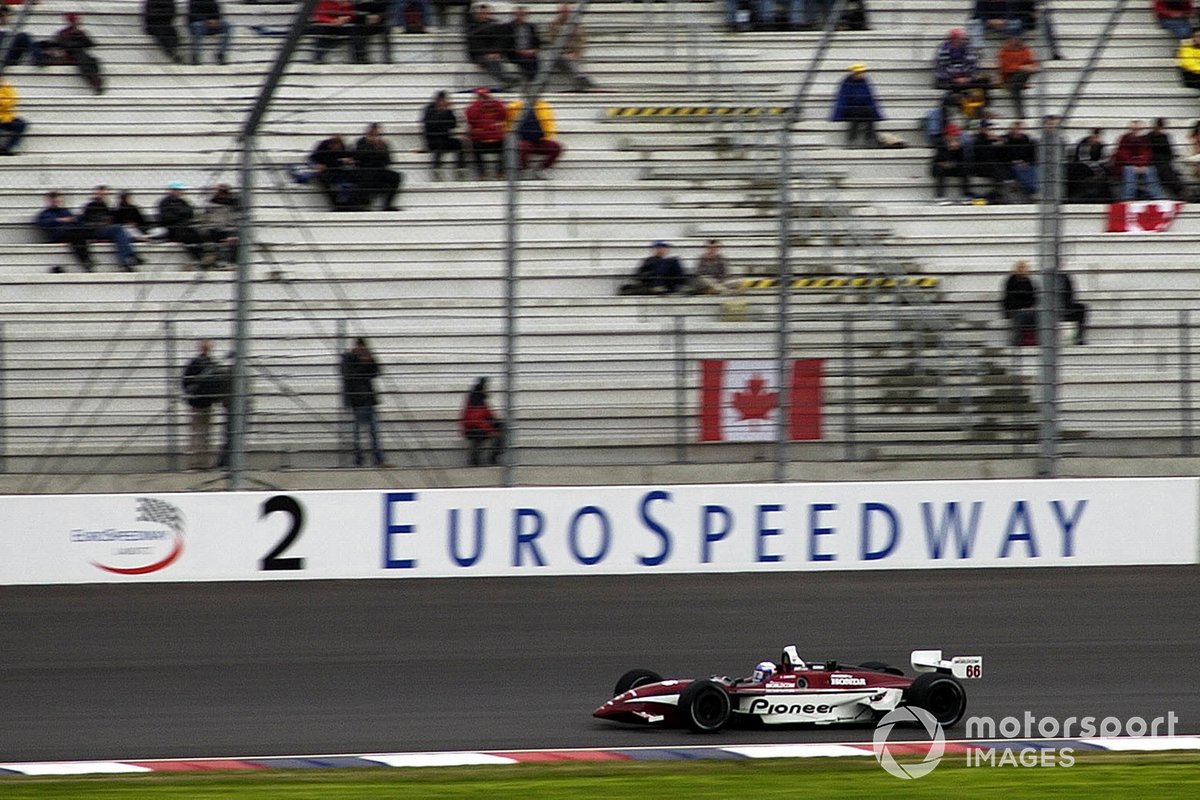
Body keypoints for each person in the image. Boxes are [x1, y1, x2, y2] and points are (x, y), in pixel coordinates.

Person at [341, 337, 389, 468]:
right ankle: (359, 459)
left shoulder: (366, 358)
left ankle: (377, 459)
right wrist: (363, 363)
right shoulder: (348, 358)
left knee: (373, 431)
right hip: (356, 400)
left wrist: (370, 360)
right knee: (358, 433)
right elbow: (351, 375)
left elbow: (376, 372)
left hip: (368, 399)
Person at [181, 339, 225, 470]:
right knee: (199, 434)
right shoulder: (205, 364)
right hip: (200, 403)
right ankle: (196, 463)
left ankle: (201, 463)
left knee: (202, 434)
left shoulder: (198, 364)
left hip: (203, 403)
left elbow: (185, 382)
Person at [80, 185, 143, 271]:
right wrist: (104, 222)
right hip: (95, 230)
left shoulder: (106, 206)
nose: (104, 196)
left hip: (106, 229)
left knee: (122, 234)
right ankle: (131, 256)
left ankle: (125, 262)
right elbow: (90, 220)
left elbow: (113, 218)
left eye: (105, 194)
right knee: (119, 230)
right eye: (102, 194)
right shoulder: (91, 206)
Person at [933, 28, 988, 120]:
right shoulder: (942, 50)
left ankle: (983, 108)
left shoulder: (968, 48)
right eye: (956, 38)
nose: (959, 41)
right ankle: (966, 107)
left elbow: (974, 66)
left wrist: (967, 78)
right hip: (949, 80)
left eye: (961, 38)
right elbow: (940, 68)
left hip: (966, 79)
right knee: (950, 89)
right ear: (951, 39)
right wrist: (954, 78)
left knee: (985, 81)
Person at [35, 191, 94, 272]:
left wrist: (74, 220)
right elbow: (43, 223)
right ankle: (86, 260)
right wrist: (60, 220)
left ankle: (87, 260)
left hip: (71, 232)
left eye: (58, 201)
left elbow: (76, 221)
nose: (56, 203)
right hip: (57, 234)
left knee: (78, 233)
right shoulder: (45, 213)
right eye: (54, 201)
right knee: (76, 235)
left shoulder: (64, 211)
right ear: (48, 201)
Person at [158, 180, 211, 266]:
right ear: (172, 190)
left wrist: (180, 213)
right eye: (179, 190)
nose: (182, 192)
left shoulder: (182, 201)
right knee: (189, 236)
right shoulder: (165, 202)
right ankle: (200, 258)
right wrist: (182, 214)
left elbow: (190, 212)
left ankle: (205, 256)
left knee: (200, 234)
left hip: (183, 226)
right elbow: (168, 217)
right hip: (172, 228)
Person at [829, 63, 882, 149]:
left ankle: (869, 139)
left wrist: (877, 115)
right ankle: (851, 139)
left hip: (862, 109)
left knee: (869, 115)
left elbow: (870, 99)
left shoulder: (865, 83)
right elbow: (842, 100)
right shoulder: (846, 83)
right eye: (858, 73)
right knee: (855, 114)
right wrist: (836, 117)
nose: (860, 74)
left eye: (861, 72)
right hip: (850, 110)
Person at [507, 97, 563, 178]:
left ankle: (542, 169)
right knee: (522, 147)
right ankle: (523, 170)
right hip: (523, 140)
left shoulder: (544, 106)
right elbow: (508, 113)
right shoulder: (517, 105)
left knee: (556, 147)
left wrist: (547, 136)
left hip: (539, 140)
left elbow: (550, 123)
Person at [49, 12, 104, 94]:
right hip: (69, 55)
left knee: (93, 60)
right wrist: (78, 43)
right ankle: (94, 81)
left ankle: (95, 78)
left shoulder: (80, 32)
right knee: (81, 56)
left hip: (80, 55)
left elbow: (91, 44)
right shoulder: (63, 33)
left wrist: (80, 36)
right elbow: (64, 45)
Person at [308, 133, 366, 210]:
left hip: (338, 171)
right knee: (324, 180)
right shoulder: (323, 146)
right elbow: (314, 158)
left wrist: (350, 160)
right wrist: (316, 165)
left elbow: (351, 156)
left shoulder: (343, 147)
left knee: (358, 177)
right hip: (326, 172)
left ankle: (355, 203)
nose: (336, 147)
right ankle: (335, 203)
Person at [1112, 119, 1165, 200]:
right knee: (1129, 170)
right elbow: (1123, 155)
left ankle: (1157, 197)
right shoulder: (1124, 138)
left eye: (1138, 129)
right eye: (1134, 129)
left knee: (1151, 169)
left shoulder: (1144, 140)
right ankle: (1128, 197)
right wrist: (1136, 165)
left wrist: (1140, 165)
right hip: (1126, 166)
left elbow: (1147, 154)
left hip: (1141, 166)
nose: (1136, 131)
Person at [353, 123, 402, 211]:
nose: (375, 136)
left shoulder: (383, 144)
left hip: (379, 170)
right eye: (373, 133)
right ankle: (364, 203)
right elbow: (359, 157)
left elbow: (388, 160)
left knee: (396, 176)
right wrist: (371, 147)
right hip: (365, 170)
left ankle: (387, 204)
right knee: (366, 177)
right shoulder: (361, 142)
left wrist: (380, 149)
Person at [545, 4, 593, 91]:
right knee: (558, 57)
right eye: (563, 12)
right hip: (558, 54)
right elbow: (553, 41)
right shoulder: (553, 25)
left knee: (570, 60)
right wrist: (564, 53)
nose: (565, 14)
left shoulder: (575, 25)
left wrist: (576, 54)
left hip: (572, 54)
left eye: (566, 12)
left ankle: (580, 80)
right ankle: (580, 77)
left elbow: (581, 41)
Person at [466, 4, 515, 88]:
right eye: (481, 13)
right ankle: (504, 80)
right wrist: (487, 54)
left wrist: (496, 52)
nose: (484, 16)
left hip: (493, 53)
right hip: (479, 55)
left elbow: (501, 39)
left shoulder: (494, 24)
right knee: (492, 61)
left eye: (486, 13)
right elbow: (475, 46)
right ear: (476, 14)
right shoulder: (472, 27)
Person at [466, 86, 508, 179]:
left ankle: (500, 173)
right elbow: (471, 119)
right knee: (473, 146)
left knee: (508, 146)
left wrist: (496, 103)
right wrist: (478, 104)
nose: (483, 99)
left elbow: (504, 115)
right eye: (481, 96)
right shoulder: (473, 107)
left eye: (484, 96)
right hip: (481, 141)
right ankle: (482, 174)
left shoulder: (495, 104)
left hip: (496, 140)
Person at [459, 377, 503, 466]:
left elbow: (489, 415)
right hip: (472, 428)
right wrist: (491, 431)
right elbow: (476, 420)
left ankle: (494, 456)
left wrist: (496, 423)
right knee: (480, 436)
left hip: (479, 426)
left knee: (502, 427)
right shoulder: (475, 400)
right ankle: (475, 460)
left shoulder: (480, 400)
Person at [422, 90, 466, 179]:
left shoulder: (448, 110)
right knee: (440, 143)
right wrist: (442, 112)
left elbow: (453, 124)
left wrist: (449, 111)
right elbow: (431, 124)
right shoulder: (429, 109)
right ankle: (436, 167)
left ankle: (460, 168)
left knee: (459, 143)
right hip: (432, 138)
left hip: (445, 137)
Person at [621, 241, 687, 295]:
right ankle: (659, 286)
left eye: (664, 248)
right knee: (661, 262)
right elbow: (640, 275)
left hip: (668, 284)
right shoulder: (649, 260)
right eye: (659, 248)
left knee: (674, 260)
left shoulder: (671, 262)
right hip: (652, 284)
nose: (662, 250)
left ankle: (682, 285)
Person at [996, 35, 1039, 120]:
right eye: (1013, 39)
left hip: (1020, 78)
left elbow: (1034, 65)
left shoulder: (1025, 50)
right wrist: (1021, 67)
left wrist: (1028, 67)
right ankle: (1022, 115)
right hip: (1008, 79)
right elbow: (1005, 68)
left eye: (1016, 39)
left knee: (1017, 84)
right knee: (1016, 85)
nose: (1015, 41)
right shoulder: (1004, 52)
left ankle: (1021, 115)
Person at [198, 183, 240, 266]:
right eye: (221, 192)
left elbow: (236, 220)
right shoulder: (212, 204)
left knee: (235, 238)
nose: (222, 194)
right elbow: (207, 220)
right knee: (217, 236)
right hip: (215, 229)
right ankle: (218, 262)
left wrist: (232, 232)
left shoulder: (233, 205)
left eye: (224, 192)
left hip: (229, 229)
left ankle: (232, 262)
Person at [1066, 128, 1113, 203]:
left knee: (1105, 173)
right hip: (1084, 166)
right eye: (1094, 137)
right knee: (1081, 170)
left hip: (1097, 166)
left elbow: (1104, 159)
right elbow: (1083, 159)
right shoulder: (1083, 144)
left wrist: (1098, 167)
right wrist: (1095, 167)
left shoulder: (1101, 145)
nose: (1096, 139)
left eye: (1098, 137)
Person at [1148, 117, 1188, 199]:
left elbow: (1170, 151)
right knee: (1166, 170)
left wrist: (1166, 158)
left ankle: (1181, 191)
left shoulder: (1165, 137)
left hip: (1164, 161)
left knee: (1168, 170)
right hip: (1153, 161)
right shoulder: (1149, 137)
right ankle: (1180, 191)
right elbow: (1148, 151)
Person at [932, 124, 972, 203]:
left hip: (954, 166)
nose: (955, 137)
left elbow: (964, 160)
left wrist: (957, 150)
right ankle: (939, 196)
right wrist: (949, 149)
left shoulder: (960, 145)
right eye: (953, 135)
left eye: (956, 135)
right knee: (940, 169)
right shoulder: (940, 144)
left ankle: (965, 195)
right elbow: (939, 160)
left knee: (965, 168)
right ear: (947, 136)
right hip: (942, 167)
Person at [1000, 119, 1038, 200]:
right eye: (1015, 129)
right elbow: (1003, 155)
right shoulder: (1006, 141)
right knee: (1021, 171)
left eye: (1019, 129)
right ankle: (1031, 190)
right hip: (1012, 164)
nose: (1017, 131)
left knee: (1034, 169)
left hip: (1027, 163)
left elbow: (1033, 155)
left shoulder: (1028, 141)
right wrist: (1014, 161)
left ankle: (1033, 190)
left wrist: (1026, 162)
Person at [1001, 259, 1037, 346]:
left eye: (1024, 268)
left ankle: (1033, 341)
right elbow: (1010, 298)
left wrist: (1029, 306)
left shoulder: (1029, 281)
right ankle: (1016, 342)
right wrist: (1022, 307)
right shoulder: (1011, 281)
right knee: (1020, 317)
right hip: (1013, 309)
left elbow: (1033, 297)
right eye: (1020, 268)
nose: (1022, 270)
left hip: (1026, 309)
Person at [501, 6, 540, 84]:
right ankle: (530, 82)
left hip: (529, 52)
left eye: (522, 15)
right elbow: (506, 44)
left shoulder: (531, 27)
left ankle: (531, 82)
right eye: (518, 15)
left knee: (535, 60)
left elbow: (537, 41)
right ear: (514, 15)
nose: (520, 17)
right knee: (527, 61)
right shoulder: (508, 27)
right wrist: (520, 51)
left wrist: (533, 50)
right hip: (514, 53)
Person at [187, 0, 231, 65]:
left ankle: (221, 53)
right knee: (197, 26)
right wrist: (207, 21)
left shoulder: (212, 1)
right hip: (199, 24)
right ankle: (195, 55)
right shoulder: (193, 1)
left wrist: (216, 20)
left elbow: (217, 13)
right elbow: (192, 15)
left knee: (226, 25)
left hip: (212, 25)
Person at [1056, 272, 1088, 345]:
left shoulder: (1064, 277)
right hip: (1051, 309)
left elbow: (1070, 294)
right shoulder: (1046, 280)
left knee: (1081, 308)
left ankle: (1078, 338)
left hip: (1065, 306)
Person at [0, 76, 27, 156]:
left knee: (21, 124)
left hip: (6, 117)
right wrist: (5, 102)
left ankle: (6, 148)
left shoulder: (7, 86)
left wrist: (3, 103)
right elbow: (9, 101)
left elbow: (13, 100)